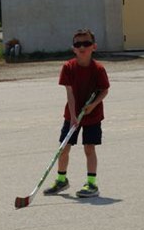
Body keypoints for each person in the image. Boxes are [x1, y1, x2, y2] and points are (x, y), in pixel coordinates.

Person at [43, 28, 110, 198]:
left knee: (89, 148)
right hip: (72, 114)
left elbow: (104, 90)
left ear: (93, 46)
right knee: (64, 148)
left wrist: (93, 105)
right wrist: (73, 116)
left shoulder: (98, 69)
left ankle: (92, 184)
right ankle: (61, 180)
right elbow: (70, 93)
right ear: (73, 48)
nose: (82, 47)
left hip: (92, 115)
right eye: (78, 44)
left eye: (86, 43)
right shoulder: (68, 67)